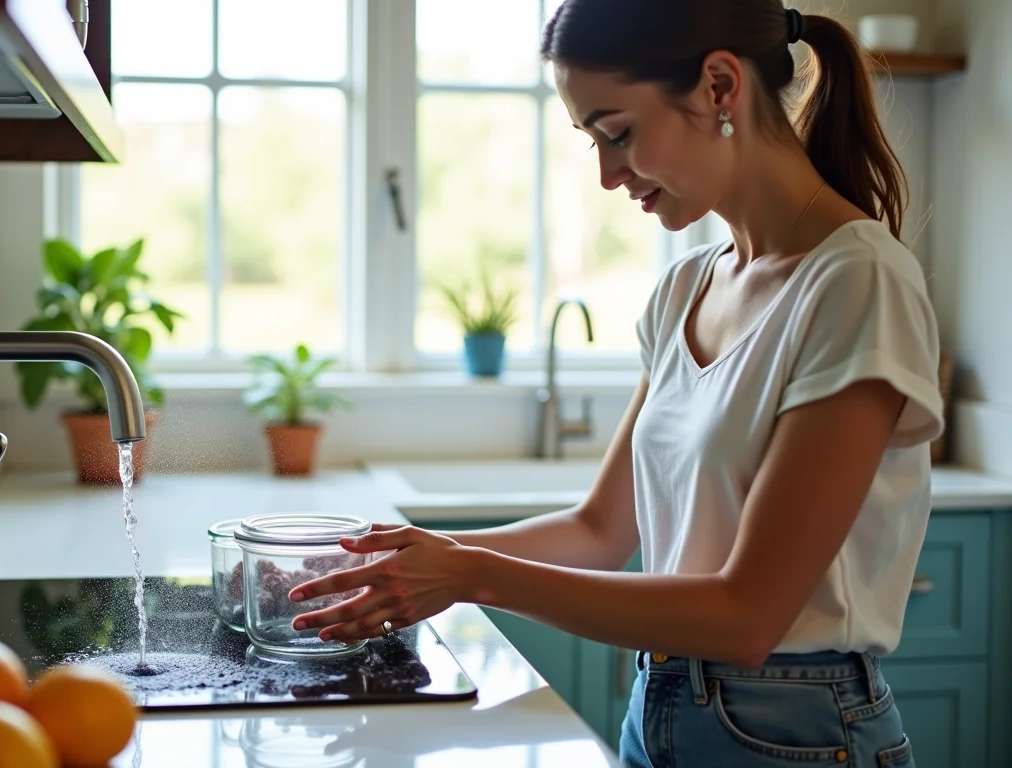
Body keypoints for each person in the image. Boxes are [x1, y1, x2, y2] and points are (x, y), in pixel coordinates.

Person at [289, 1, 942, 765]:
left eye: (619, 132)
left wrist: (469, 574)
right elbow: (599, 533)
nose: (606, 175)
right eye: (592, 141)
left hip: (796, 731)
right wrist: (407, 560)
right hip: (658, 710)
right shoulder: (686, 289)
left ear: (720, 86)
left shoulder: (857, 281)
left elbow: (747, 616)